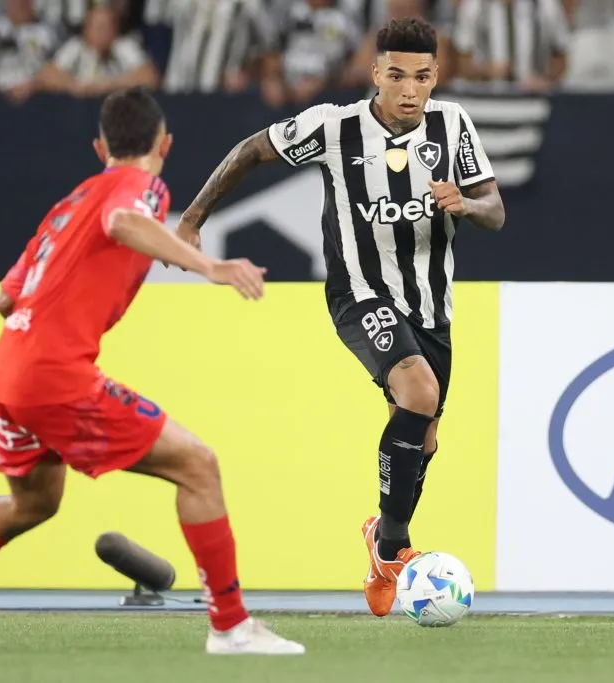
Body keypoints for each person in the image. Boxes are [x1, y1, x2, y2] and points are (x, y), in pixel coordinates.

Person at [0, 87, 305, 656]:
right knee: (199, 467)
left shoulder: (69, 203)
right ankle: (231, 626)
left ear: (100, 146)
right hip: (54, 374)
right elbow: (125, 220)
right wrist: (207, 264)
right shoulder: (142, 187)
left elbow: (6, 299)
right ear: (165, 144)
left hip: (8, 367)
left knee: (34, 502)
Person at [174, 17, 505, 618]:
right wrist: (193, 217)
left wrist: (468, 204)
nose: (410, 89)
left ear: (437, 78)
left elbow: (496, 209)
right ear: (376, 72)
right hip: (359, 293)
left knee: (423, 435)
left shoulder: (453, 123)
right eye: (397, 75)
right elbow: (252, 149)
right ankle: (395, 547)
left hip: (432, 307)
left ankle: (383, 544)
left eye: (423, 77)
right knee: (418, 388)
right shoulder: (335, 127)